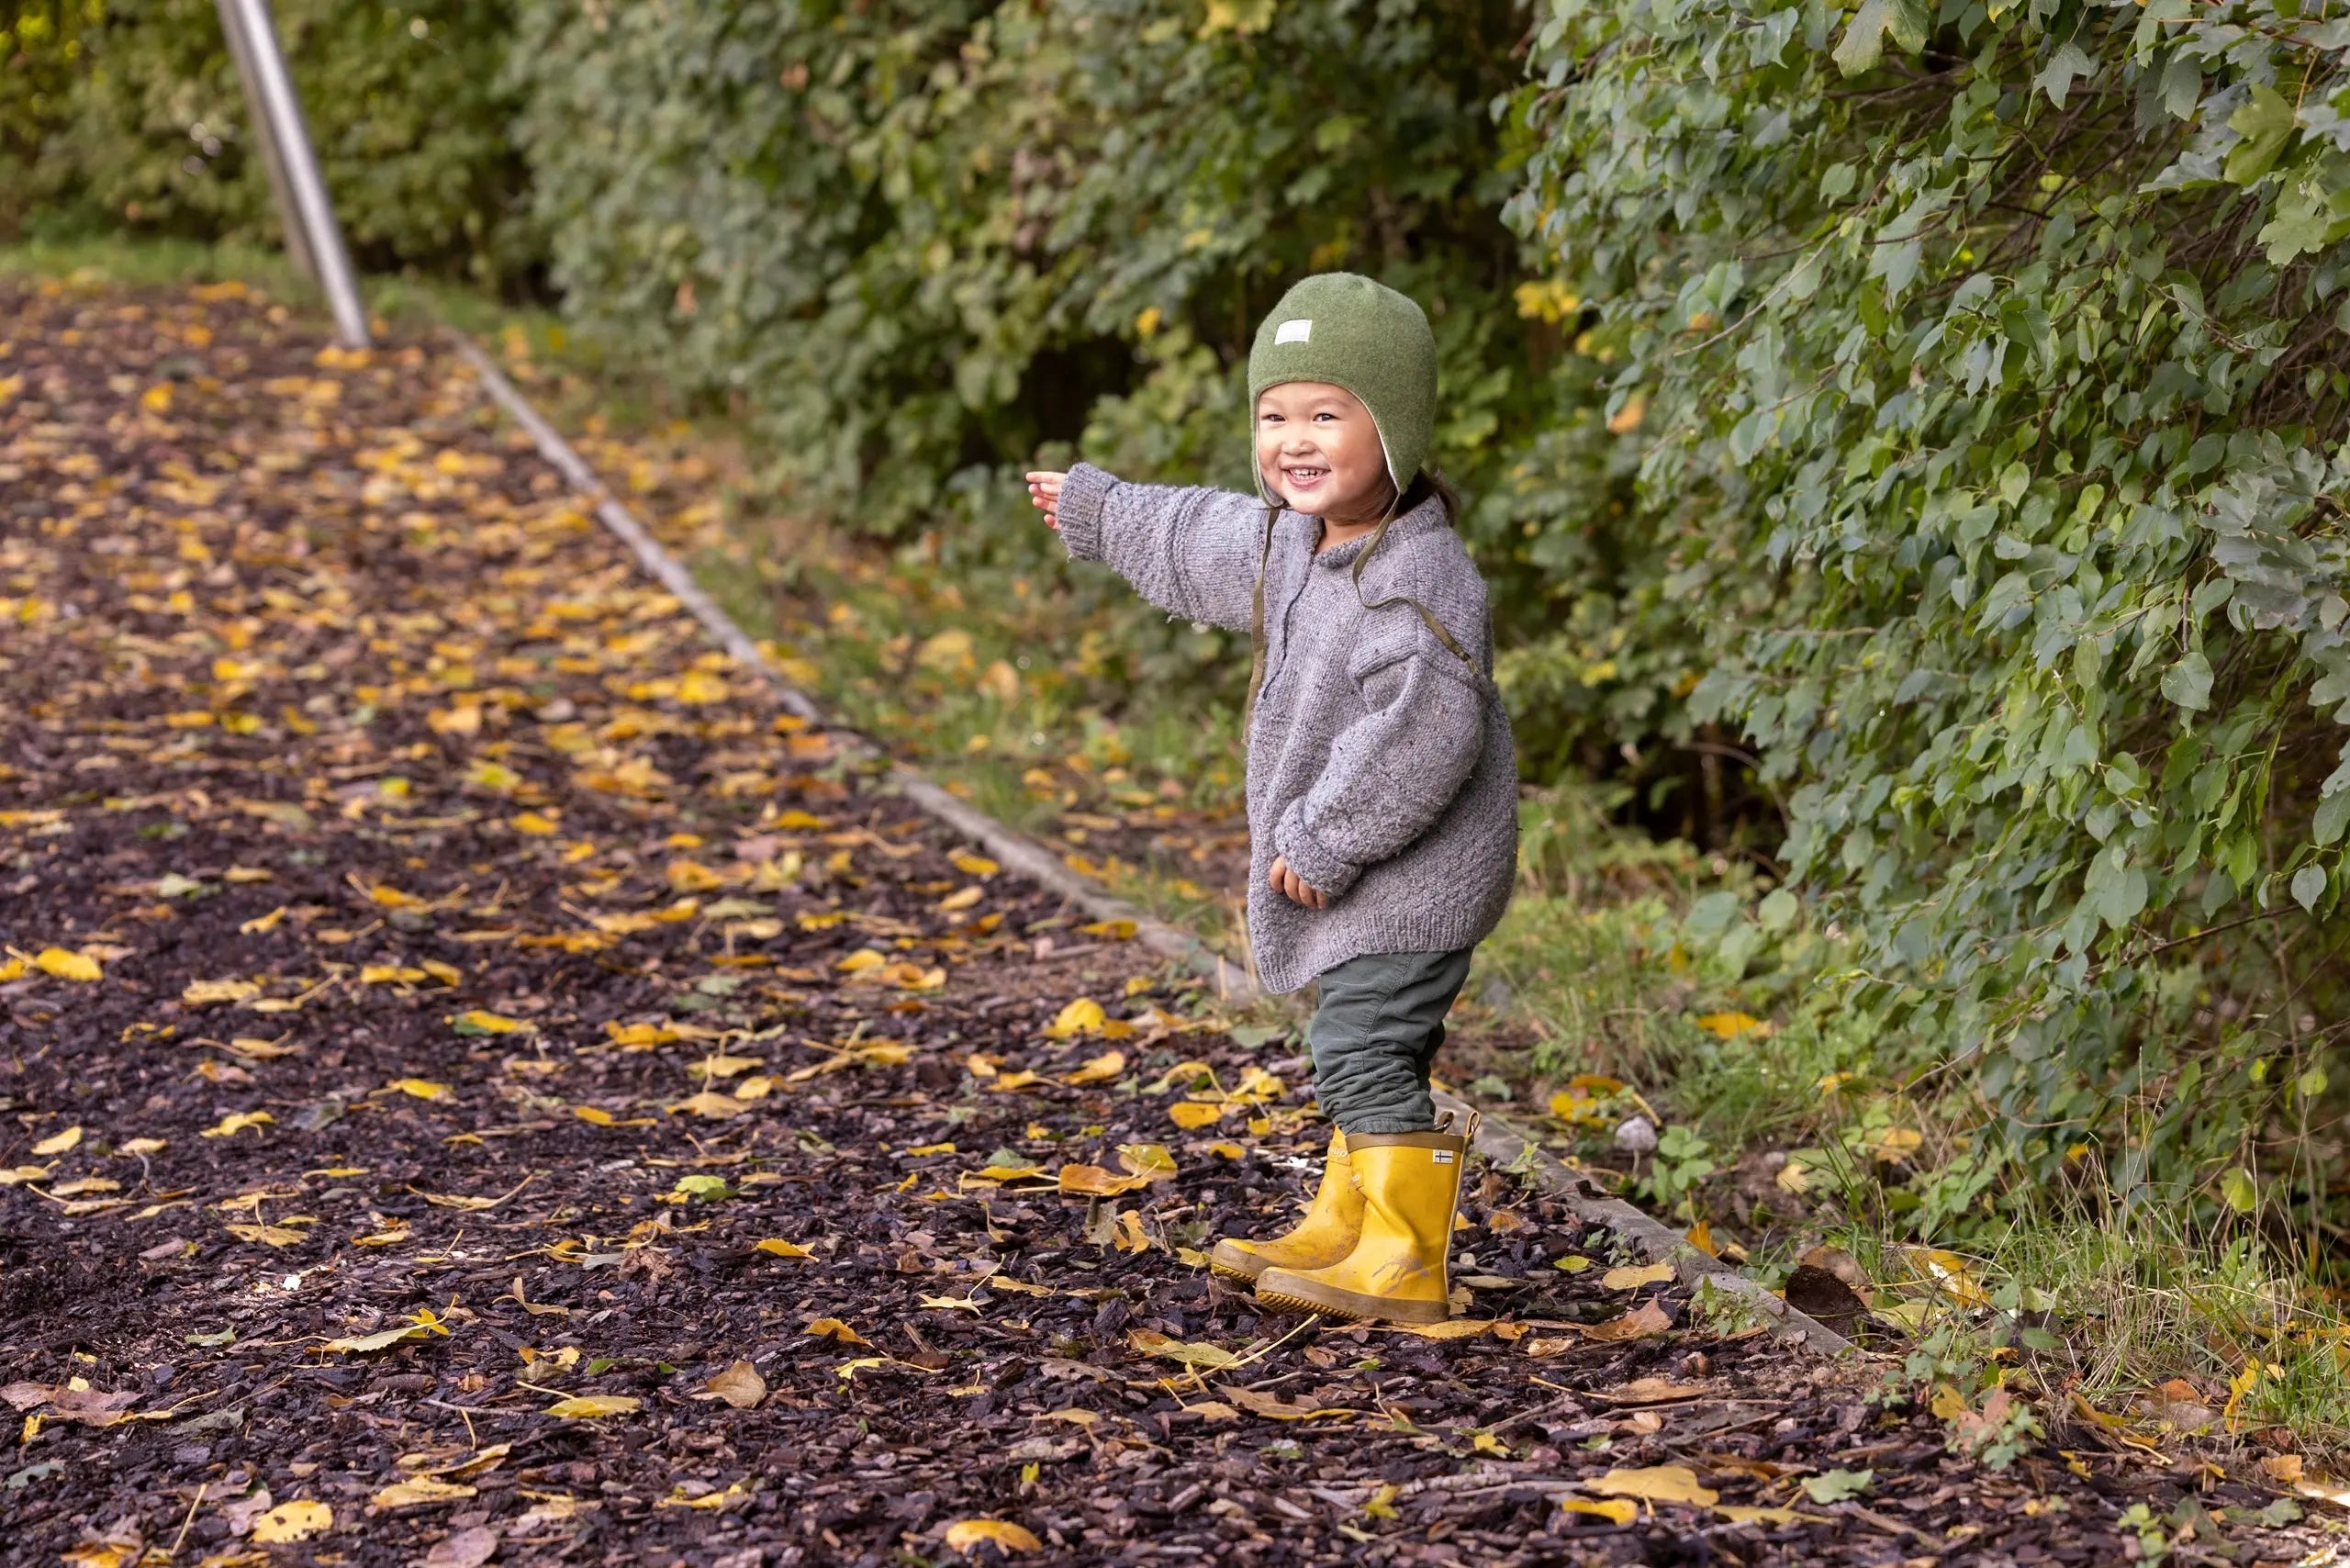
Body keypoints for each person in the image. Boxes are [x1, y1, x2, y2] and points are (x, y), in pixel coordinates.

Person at [1024, 273, 1516, 1324]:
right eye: (1273, 416)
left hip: (1415, 878)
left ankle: (1406, 1262)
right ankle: (1349, 1225)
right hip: (1373, 874)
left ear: (1395, 428)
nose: (1294, 440)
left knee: (1361, 1046)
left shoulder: (1417, 580)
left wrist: (1324, 837)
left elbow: (1426, 735)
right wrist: (1098, 509)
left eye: (1326, 416)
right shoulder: (1296, 543)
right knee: (1362, 1039)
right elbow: (1198, 532)